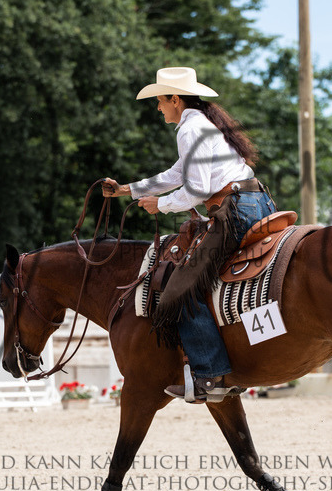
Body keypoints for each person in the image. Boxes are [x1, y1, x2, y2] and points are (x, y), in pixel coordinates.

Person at [102, 67, 276, 403]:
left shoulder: (190, 128)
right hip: (256, 202)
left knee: (178, 290)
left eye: (160, 101)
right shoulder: (204, 125)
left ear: (175, 99)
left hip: (235, 210)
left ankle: (210, 374)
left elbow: (197, 189)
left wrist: (161, 205)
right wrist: (129, 190)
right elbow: (177, 173)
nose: (158, 108)